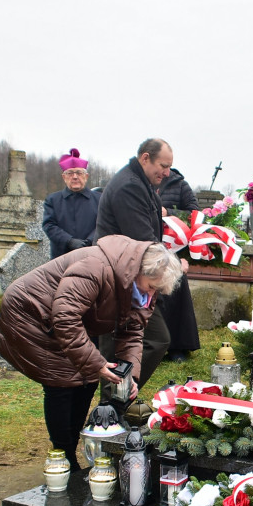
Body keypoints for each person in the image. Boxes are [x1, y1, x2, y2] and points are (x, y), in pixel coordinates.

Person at [0, 237, 182, 472]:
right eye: (152, 287)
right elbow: (65, 317)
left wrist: (130, 376)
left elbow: (132, 331)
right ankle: (63, 458)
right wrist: (96, 363)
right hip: (31, 315)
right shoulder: (95, 266)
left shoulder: (139, 287)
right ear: (139, 271)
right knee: (62, 383)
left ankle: (71, 448)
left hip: (65, 321)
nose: (152, 295)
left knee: (87, 380)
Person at [95, 138, 188, 388]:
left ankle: (118, 402)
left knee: (135, 342)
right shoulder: (129, 186)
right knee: (135, 343)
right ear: (145, 158)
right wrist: (174, 265)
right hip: (120, 278)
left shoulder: (140, 182)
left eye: (170, 167)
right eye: (163, 165)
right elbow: (142, 237)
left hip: (132, 277)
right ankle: (112, 408)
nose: (167, 173)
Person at [157, 167, 201, 363]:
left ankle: (178, 347)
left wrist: (169, 212)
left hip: (173, 249)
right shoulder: (141, 183)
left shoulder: (180, 185)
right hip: (149, 245)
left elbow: (194, 213)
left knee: (175, 297)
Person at [42, 148, 102, 259]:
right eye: (70, 173)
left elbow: (103, 224)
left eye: (79, 173)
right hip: (61, 259)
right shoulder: (52, 200)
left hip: (91, 257)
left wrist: (89, 241)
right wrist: (69, 241)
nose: (75, 177)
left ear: (86, 176)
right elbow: (49, 225)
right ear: (64, 177)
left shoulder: (100, 200)